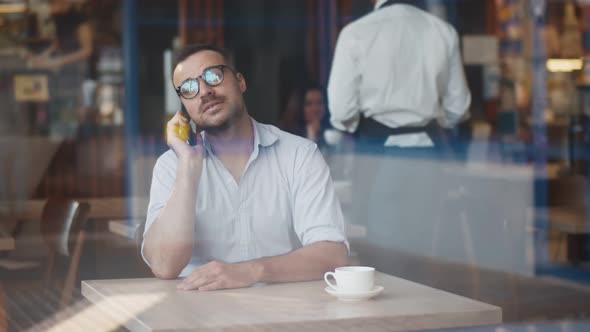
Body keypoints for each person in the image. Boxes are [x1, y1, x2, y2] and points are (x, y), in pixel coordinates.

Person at [142, 44, 348, 291]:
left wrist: (252, 270)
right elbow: (165, 266)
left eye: (213, 76)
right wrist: (188, 167)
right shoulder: (171, 166)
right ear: (184, 108)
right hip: (197, 316)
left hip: (284, 313)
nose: (204, 91)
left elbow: (332, 255)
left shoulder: (299, 155)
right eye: (188, 88)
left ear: (240, 82)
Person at [327, 0, 471, 248]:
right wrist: (433, 119)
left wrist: (356, 124)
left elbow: (341, 111)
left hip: (377, 153)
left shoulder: (356, 33)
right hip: (428, 154)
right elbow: (458, 108)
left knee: (382, 254)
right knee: (426, 250)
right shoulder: (442, 31)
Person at [29, 0, 94, 138]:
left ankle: (65, 143)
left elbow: (87, 50)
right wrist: (43, 56)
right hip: (62, 74)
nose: (50, 9)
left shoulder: (79, 19)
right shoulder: (59, 19)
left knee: (67, 115)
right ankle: (60, 140)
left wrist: (58, 61)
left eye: (53, 5)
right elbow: (58, 42)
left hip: (75, 73)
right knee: (59, 113)